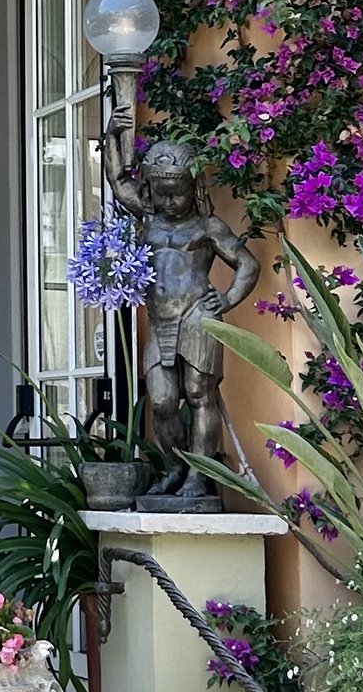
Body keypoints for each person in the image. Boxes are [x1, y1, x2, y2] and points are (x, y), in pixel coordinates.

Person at [103, 125, 257, 507]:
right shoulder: (147, 222)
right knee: (161, 401)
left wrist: (227, 299)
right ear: (151, 191)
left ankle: (198, 476)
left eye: (179, 193)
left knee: (199, 394)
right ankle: (176, 465)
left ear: (195, 189)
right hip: (160, 322)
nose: (171, 202)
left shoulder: (207, 227)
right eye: (162, 193)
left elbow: (247, 265)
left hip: (197, 318)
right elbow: (119, 181)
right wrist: (114, 134)